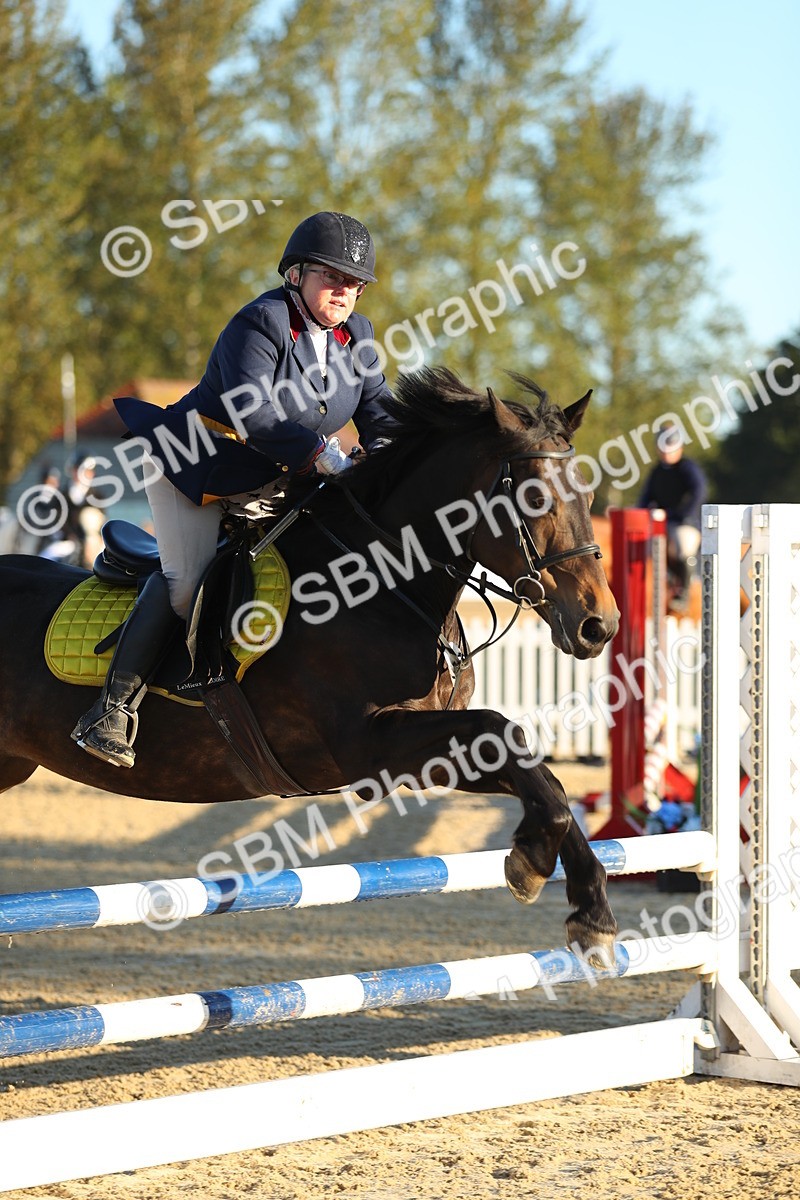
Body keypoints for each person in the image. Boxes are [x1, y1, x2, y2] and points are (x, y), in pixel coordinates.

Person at [72, 211, 394, 768]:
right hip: (199, 463)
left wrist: (395, 453)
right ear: (295, 275)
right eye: (332, 276)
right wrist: (325, 453)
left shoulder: (357, 336)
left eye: (355, 282)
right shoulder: (261, 322)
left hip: (277, 475)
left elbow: (378, 412)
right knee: (186, 583)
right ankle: (111, 709)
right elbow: (256, 414)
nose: (345, 290)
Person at [638, 424, 706, 611]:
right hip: (660, 523)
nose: (666, 453)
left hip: (684, 522)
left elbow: (698, 492)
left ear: (680, 447)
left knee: (683, 546)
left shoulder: (687, 468)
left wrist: (680, 514)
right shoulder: (656, 472)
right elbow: (645, 498)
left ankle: (683, 593)